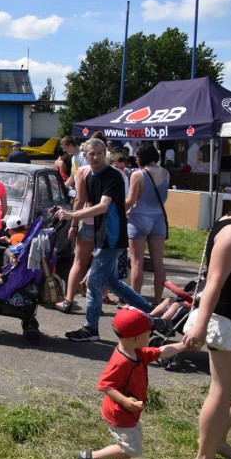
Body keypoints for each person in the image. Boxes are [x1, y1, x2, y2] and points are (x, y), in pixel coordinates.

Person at [55, 138, 153, 342]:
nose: (97, 156)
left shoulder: (112, 175)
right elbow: (82, 200)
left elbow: (103, 205)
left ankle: (90, 328)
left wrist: (73, 216)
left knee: (94, 281)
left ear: (104, 154)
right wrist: (67, 214)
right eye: (92, 153)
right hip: (102, 234)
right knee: (111, 282)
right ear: (85, 155)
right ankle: (151, 311)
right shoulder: (88, 175)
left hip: (113, 234)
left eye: (100, 152)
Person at [75, 308, 185, 459]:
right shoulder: (121, 361)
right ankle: (90, 457)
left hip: (129, 412)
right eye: (149, 334)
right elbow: (106, 384)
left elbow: (162, 351)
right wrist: (125, 401)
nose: (150, 338)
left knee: (129, 442)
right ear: (139, 338)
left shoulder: (137, 352)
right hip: (119, 413)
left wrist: (185, 344)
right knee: (132, 448)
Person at [183, 186, 231, 459]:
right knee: (222, 391)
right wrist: (201, 326)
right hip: (229, 322)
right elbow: (214, 284)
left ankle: (217, 440)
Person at [126, 144, 169, 304]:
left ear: (142, 157)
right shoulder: (166, 173)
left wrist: (116, 206)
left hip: (139, 219)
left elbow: (130, 201)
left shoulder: (138, 175)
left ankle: (134, 300)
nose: (135, 159)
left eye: (137, 156)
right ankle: (158, 299)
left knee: (137, 262)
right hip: (159, 219)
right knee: (158, 262)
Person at [56, 145, 94, 313]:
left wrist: (73, 224)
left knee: (78, 262)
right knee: (105, 265)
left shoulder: (84, 171)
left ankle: (69, 299)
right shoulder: (116, 172)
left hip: (89, 222)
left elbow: (79, 200)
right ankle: (97, 302)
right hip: (109, 224)